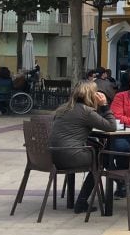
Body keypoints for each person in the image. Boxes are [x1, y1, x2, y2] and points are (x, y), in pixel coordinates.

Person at [48, 79, 116, 213]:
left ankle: (116, 187)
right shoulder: (86, 112)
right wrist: (105, 106)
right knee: (103, 158)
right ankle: (82, 202)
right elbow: (111, 126)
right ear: (91, 95)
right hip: (70, 157)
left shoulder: (63, 108)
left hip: (53, 156)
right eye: (95, 92)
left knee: (98, 154)